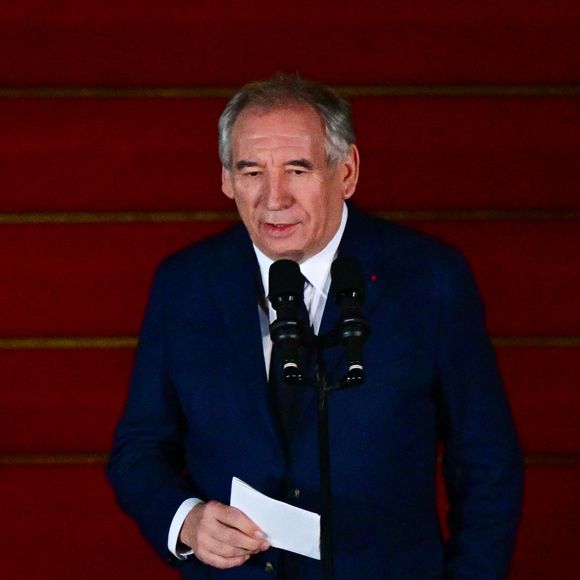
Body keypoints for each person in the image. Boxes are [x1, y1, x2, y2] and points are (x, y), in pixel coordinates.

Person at [108, 74, 523, 579]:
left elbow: (485, 462)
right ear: (225, 179)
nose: (273, 198)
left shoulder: (427, 279)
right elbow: (139, 449)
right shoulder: (186, 284)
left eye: (297, 170)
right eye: (251, 171)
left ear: (345, 172)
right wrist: (187, 521)